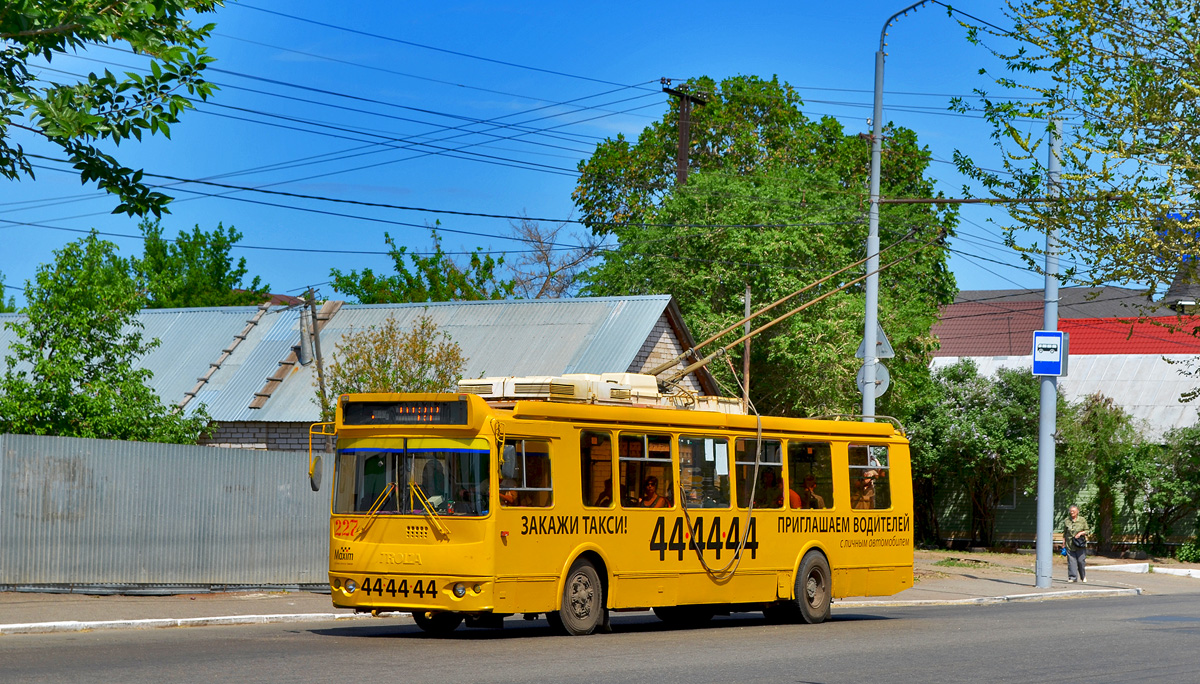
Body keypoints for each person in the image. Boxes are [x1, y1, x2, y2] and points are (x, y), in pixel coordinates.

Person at [1063, 504, 1090, 583]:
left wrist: (1081, 533)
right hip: (1070, 544)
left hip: (1080, 544)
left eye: (1073, 511)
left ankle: (1083, 576)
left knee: (1081, 561)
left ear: (1077, 511)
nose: (1072, 513)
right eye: (1071, 511)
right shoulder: (1067, 520)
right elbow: (1065, 533)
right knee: (1071, 562)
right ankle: (1072, 577)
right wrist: (1063, 543)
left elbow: (1087, 531)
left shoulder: (1082, 520)